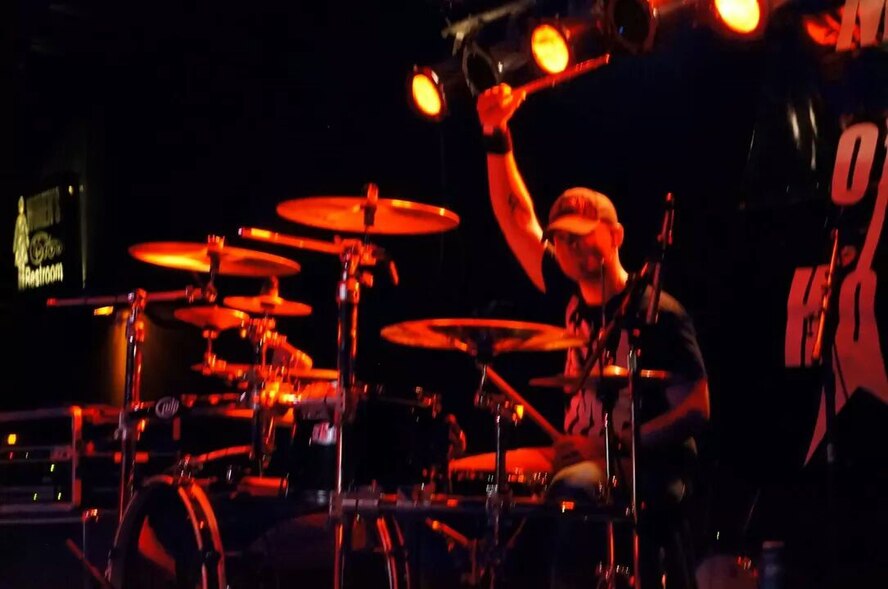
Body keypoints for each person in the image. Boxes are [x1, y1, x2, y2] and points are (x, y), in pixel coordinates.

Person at [476, 83, 711, 589]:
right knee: (476, 481)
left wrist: (610, 448)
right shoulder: (564, 300)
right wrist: (497, 136)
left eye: (581, 234)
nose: (568, 245)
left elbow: (696, 408)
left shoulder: (655, 310)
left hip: (642, 465)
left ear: (616, 236)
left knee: (573, 488)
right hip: (578, 454)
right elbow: (517, 215)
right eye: (560, 237)